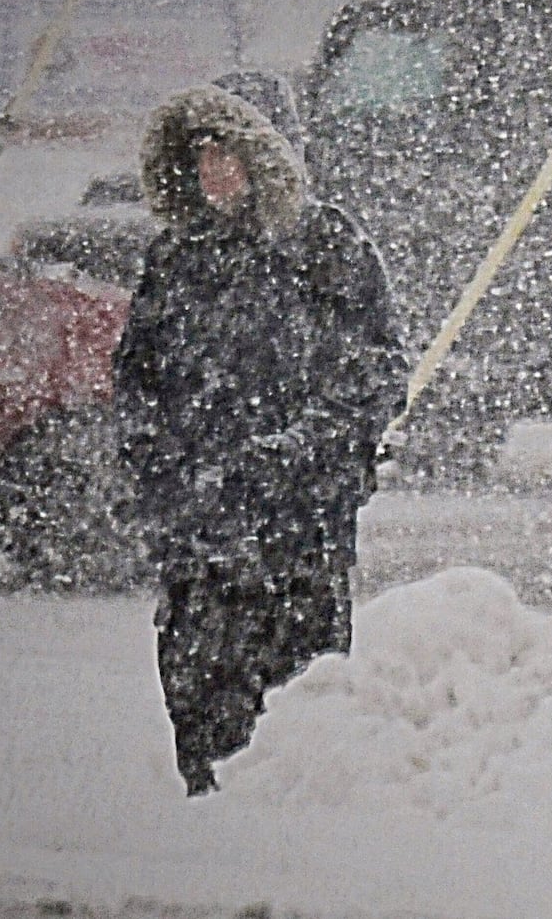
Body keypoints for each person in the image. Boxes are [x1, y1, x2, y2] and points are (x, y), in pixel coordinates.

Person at [113, 75, 405, 795]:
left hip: (297, 531)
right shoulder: (174, 261)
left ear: (267, 156)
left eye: (229, 153)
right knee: (200, 697)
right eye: (202, 156)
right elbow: (138, 384)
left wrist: (306, 456)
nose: (215, 172)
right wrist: (164, 479)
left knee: (299, 709)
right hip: (200, 538)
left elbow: (374, 369)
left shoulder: (323, 245)